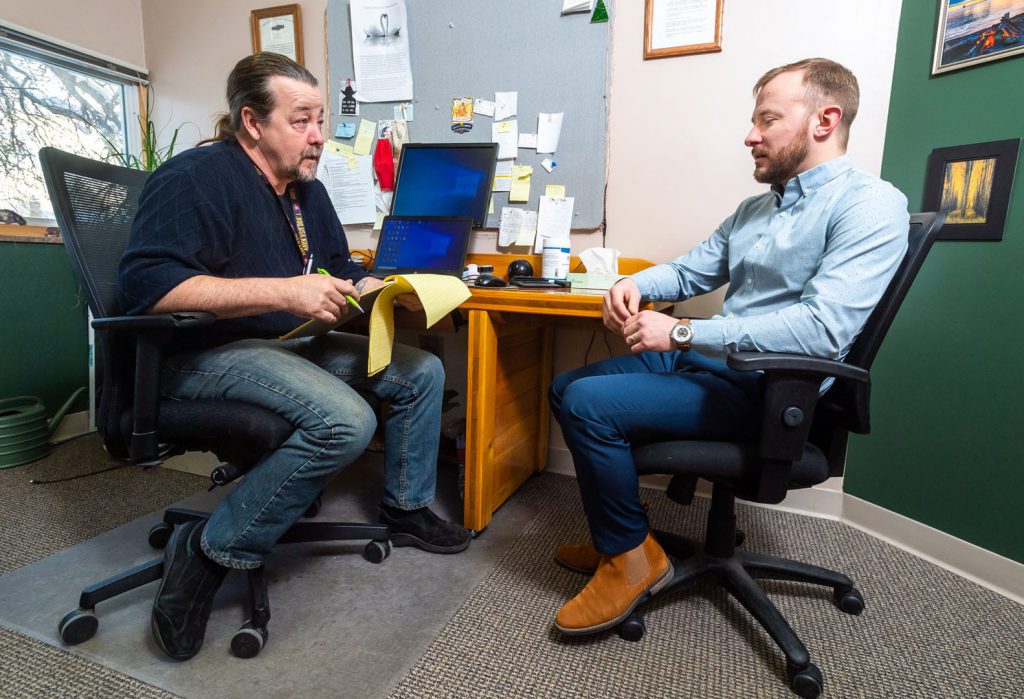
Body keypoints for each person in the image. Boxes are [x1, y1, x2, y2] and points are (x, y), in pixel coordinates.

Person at [118, 53, 471, 661]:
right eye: (302, 121)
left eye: (321, 121)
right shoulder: (196, 177)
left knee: (421, 370)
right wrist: (284, 290)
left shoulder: (307, 192)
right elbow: (148, 289)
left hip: (288, 341)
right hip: (203, 354)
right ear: (252, 122)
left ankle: (407, 507)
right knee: (347, 420)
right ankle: (206, 551)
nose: (317, 137)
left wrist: (376, 289)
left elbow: (333, 267)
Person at [549, 58, 909, 636]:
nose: (750, 135)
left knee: (590, 406)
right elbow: (692, 272)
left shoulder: (869, 205)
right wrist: (635, 284)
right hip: (715, 368)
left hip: (769, 391)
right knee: (566, 386)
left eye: (767, 119)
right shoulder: (757, 209)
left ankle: (628, 560)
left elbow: (819, 330)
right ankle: (629, 543)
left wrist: (683, 331)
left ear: (825, 119)